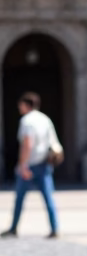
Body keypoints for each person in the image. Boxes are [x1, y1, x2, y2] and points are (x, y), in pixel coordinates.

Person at [1, 92, 60, 239]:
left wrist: (23, 165)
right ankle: (55, 228)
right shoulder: (45, 119)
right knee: (48, 197)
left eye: (20, 105)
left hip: (30, 164)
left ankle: (14, 228)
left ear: (26, 105)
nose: (19, 108)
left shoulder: (27, 121)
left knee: (20, 198)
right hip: (44, 163)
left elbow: (27, 144)